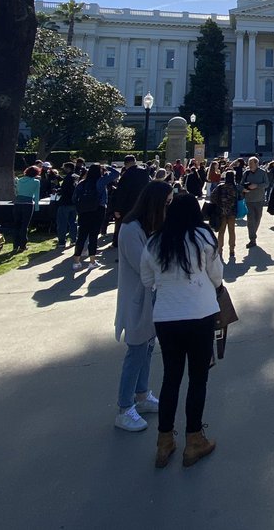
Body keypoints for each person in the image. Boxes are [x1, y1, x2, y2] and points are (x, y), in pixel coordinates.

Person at [140, 192, 222, 468]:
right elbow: (217, 275)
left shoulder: (155, 241)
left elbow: (146, 279)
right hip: (200, 313)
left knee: (171, 378)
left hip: (167, 316)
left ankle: (164, 441)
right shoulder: (203, 237)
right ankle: (194, 439)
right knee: (198, 378)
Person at [113, 180, 170, 432]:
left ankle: (142, 393)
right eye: (166, 203)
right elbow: (144, 265)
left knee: (147, 348)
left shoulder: (148, 226)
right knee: (135, 351)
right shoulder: (129, 229)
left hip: (152, 297)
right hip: (137, 298)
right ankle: (124, 408)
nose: (167, 208)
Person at [72, 163, 106, 270]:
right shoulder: (100, 183)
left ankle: (76, 261)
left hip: (84, 211)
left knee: (81, 236)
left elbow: (74, 198)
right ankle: (92, 261)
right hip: (98, 210)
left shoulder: (81, 183)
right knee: (93, 236)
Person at [113, 155, 152, 246]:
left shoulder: (126, 174)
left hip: (128, 206)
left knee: (125, 226)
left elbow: (121, 192)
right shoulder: (144, 172)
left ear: (126, 164)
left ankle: (120, 243)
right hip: (142, 204)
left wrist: (117, 208)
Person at [240, 157, 269, 248]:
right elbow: (240, 184)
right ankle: (252, 239)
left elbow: (267, 184)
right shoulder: (246, 173)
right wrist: (244, 189)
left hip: (259, 200)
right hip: (249, 200)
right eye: (249, 163)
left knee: (257, 219)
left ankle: (253, 234)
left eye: (251, 163)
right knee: (250, 221)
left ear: (256, 163)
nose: (249, 165)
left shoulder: (262, 172)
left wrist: (257, 185)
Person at [11, 165, 41, 253]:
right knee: (24, 225)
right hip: (28, 204)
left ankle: (15, 245)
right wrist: (36, 207)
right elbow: (37, 194)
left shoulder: (19, 180)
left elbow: (16, 192)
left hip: (18, 203)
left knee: (16, 224)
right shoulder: (36, 182)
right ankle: (22, 245)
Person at [211, 171, 239, 259]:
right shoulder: (235, 188)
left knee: (221, 232)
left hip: (221, 212)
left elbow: (212, 197)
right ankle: (232, 250)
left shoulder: (220, 187)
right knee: (232, 231)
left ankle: (220, 250)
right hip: (232, 213)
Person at [54, 162, 79, 249]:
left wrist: (58, 190)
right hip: (74, 203)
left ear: (68, 168)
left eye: (64, 168)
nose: (63, 169)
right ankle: (73, 239)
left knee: (62, 223)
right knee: (73, 222)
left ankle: (61, 241)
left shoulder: (68, 178)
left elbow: (64, 190)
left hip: (65, 202)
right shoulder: (76, 177)